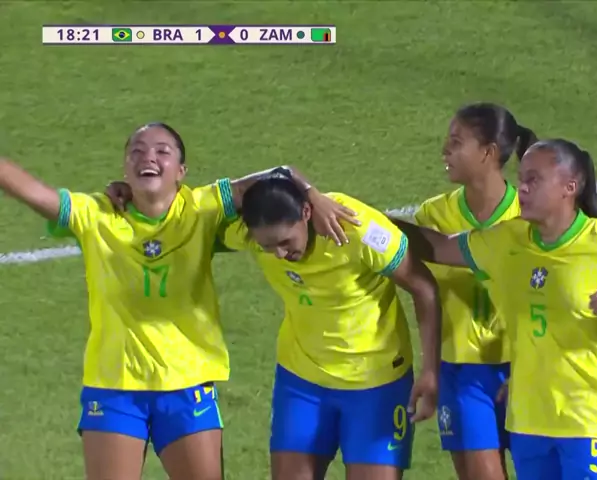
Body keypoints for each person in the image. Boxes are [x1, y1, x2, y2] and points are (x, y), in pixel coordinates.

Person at [0, 122, 353, 480]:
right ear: (125, 168)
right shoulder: (94, 214)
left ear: (181, 171)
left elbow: (278, 175)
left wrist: (313, 196)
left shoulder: (203, 208)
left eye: (162, 151)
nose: (148, 157)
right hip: (115, 388)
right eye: (137, 152)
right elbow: (33, 193)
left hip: (188, 384)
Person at [393, 139, 597, 480]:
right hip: (529, 422)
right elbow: (438, 247)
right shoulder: (507, 240)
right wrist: (368, 220)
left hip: (590, 421)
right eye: (522, 178)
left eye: (534, 180)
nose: (522, 188)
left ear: (569, 187)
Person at [218, 173, 442, 480]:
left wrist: (431, 370)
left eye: (285, 242)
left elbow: (424, 288)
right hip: (302, 381)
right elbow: (186, 217)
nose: (280, 254)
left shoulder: (356, 227)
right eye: (268, 247)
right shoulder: (250, 232)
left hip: (376, 383)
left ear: (305, 213)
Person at [412, 103, 535, 480]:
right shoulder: (433, 216)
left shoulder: (530, 216)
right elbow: (424, 296)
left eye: (456, 142)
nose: (444, 151)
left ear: (488, 152)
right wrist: (430, 369)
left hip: (528, 368)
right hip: (463, 371)